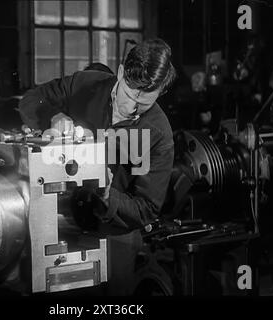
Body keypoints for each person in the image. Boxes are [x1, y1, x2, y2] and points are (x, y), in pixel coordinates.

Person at [19, 38, 176, 295]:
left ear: (161, 93)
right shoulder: (86, 85)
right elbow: (31, 98)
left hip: (112, 231)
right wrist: (54, 116)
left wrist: (107, 195)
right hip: (56, 214)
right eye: (129, 94)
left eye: (143, 103)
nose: (130, 108)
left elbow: (146, 208)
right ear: (122, 72)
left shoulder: (157, 134)